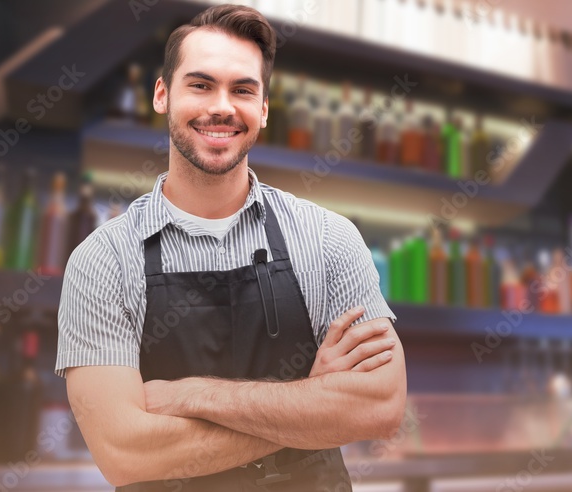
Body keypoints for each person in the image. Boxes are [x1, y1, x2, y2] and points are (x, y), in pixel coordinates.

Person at [55, 5, 406, 491]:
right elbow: (123, 454)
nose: (222, 106)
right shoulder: (101, 262)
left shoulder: (329, 240)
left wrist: (191, 395)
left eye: (242, 89)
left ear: (263, 108)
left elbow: (381, 407)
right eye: (200, 85)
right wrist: (314, 403)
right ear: (162, 95)